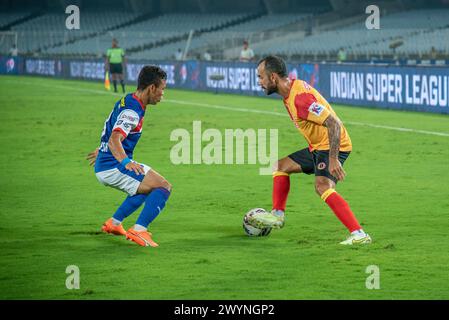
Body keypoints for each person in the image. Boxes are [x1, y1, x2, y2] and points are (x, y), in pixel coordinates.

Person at [252, 55, 371, 245]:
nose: (259, 82)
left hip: (333, 144)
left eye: (261, 77)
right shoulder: (291, 90)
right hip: (318, 146)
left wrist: (333, 159)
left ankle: (359, 234)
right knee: (280, 166)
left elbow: (334, 124)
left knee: (322, 186)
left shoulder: (300, 100)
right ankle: (277, 216)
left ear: (273, 77)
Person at [86, 66, 172, 247]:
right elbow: (115, 138)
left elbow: (112, 128)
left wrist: (102, 150)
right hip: (113, 165)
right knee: (163, 186)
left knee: (145, 187)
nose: (163, 95)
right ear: (152, 88)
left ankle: (114, 224)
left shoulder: (129, 99)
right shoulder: (133, 111)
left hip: (107, 161)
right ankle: (139, 230)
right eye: (162, 89)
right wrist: (124, 161)